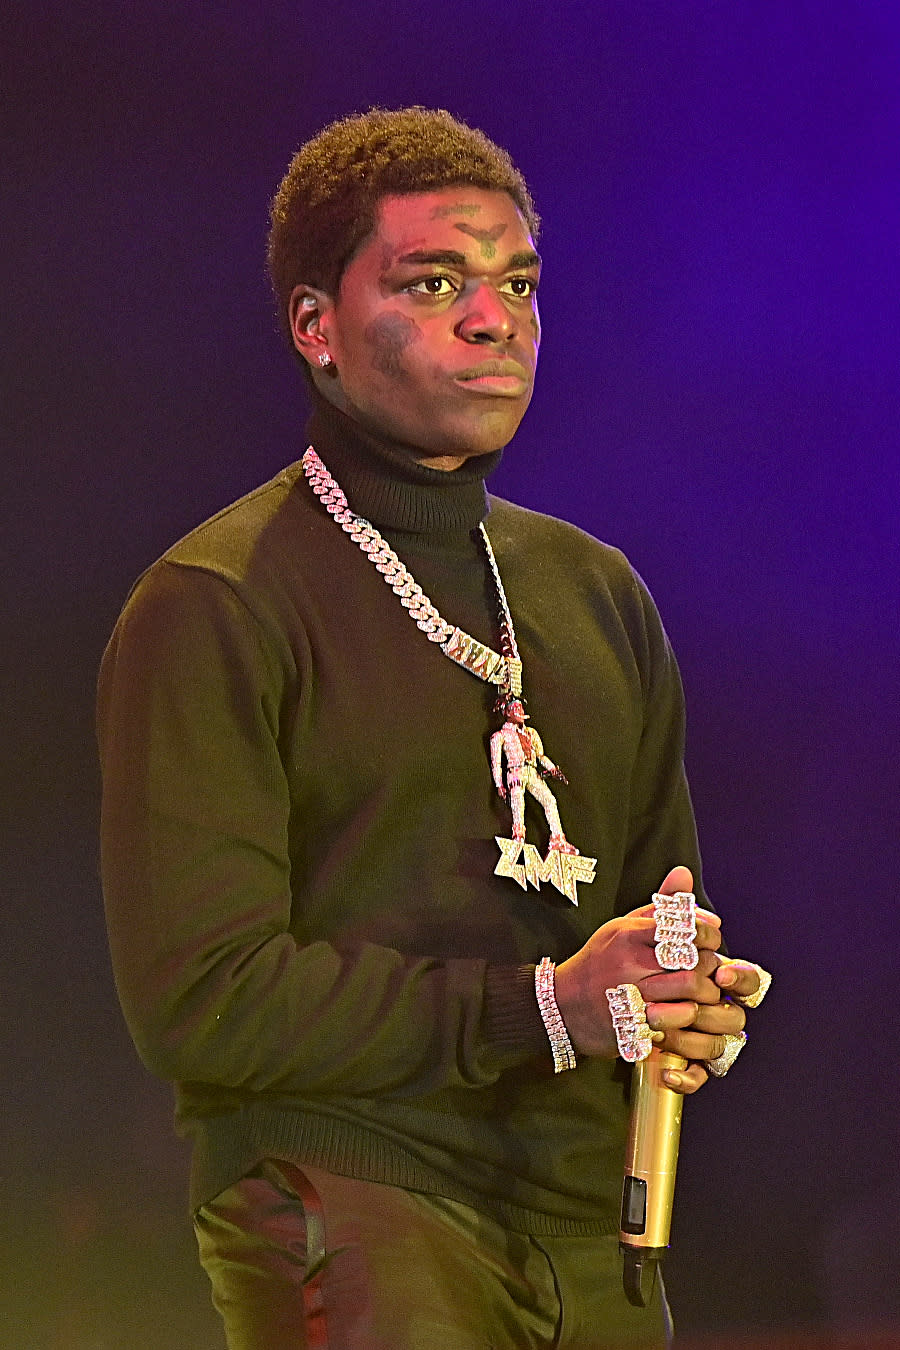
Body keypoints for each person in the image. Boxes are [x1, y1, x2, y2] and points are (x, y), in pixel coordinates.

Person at [97, 107, 768, 1349]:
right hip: (353, 1203)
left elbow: (646, 906)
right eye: (435, 281)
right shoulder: (218, 601)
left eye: (516, 282)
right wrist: (547, 1005)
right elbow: (200, 998)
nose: (493, 317)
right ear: (317, 327)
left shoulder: (597, 593)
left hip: (591, 1224)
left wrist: (684, 996)